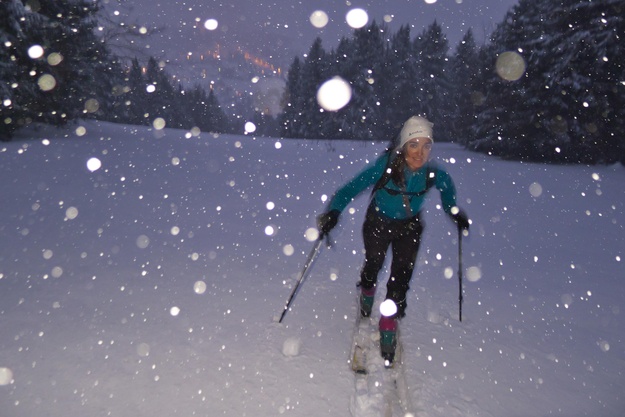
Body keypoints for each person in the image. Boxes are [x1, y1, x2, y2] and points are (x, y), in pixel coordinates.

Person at [317, 115, 469, 365]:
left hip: (409, 227)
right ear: (403, 146)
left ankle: (388, 323)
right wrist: (334, 211)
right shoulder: (385, 166)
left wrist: (454, 211)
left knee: (401, 276)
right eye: (413, 145)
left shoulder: (432, 174)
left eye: (426, 146)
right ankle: (367, 290)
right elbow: (351, 188)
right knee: (374, 263)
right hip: (378, 222)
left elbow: (447, 188)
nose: (420, 153)